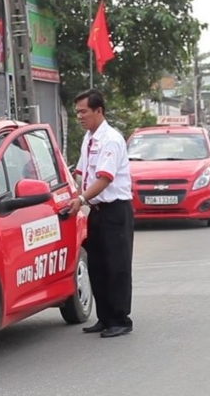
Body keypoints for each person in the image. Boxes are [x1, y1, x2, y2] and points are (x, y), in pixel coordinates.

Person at [67, 89, 134, 339]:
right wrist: (72, 192)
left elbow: (104, 178)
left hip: (115, 210)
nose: (80, 117)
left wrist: (81, 198)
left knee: (117, 266)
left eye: (84, 112)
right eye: (77, 113)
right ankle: (104, 317)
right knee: (97, 265)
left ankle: (120, 318)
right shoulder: (89, 137)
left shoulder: (111, 140)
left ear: (99, 111)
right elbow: (81, 173)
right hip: (95, 210)